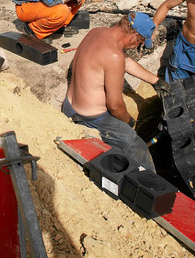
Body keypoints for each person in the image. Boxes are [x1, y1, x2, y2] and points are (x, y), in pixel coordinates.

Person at [62, 11, 160, 171]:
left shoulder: (98, 32)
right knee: (137, 148)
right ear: (134, 36)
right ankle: (151, 188)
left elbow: (123, 60)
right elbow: (114, 105)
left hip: (70, 106)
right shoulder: (114, 56)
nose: (137, 46)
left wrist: (155, 81)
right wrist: (128, 121)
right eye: (139, 42)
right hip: (91, 118)